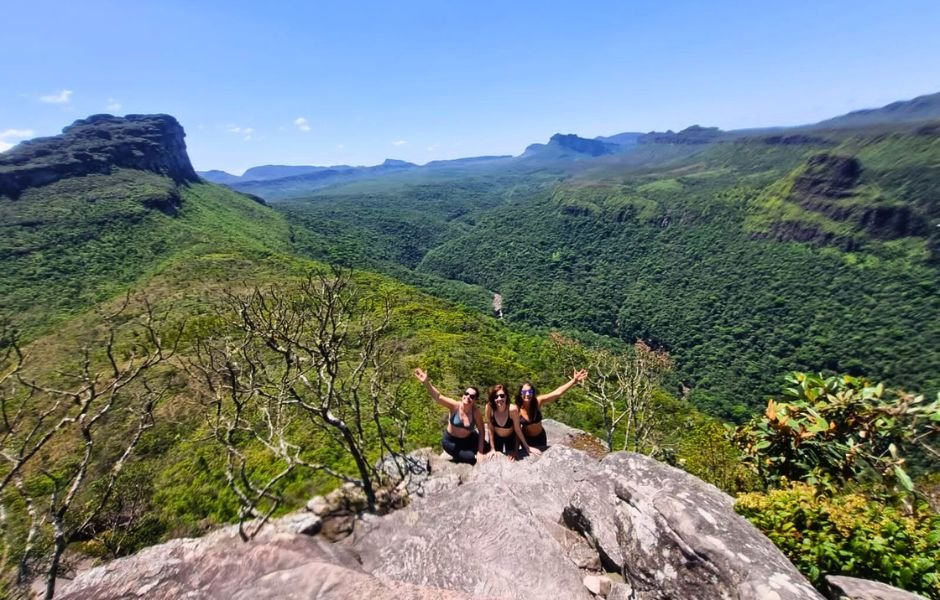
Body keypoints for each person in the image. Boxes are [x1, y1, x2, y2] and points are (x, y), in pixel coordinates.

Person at [414, 368, 486, 464]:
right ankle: (465, 453)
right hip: (451, 441)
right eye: (466, 393)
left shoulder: (475, 412)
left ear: (475, 400)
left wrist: (481, 452)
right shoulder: (455, 406)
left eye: (472, 396)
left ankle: (471, 450)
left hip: (469, 439)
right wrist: (426, 383)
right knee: (470, 458)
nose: (468, 397)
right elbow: (438, 397)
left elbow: (481, 430)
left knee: (488, 449)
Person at [517, 369, 588, 451]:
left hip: (540, 436)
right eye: (524, 392)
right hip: (527, 439)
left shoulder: (537, 402)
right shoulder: (517, 409)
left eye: (530, 391)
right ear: (520, 393)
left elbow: (557, 392)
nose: (527, 394)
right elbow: (516, 429)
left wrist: (573, 381)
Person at [483, 384, 538, 460]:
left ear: (506, 396)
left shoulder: (512, 409)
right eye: (496, 397)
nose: (499, 399)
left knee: (512, 459)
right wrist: (492, 448)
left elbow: (518, 430)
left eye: (502, 396)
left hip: (510, 438)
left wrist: (524, 448)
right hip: (496, 438)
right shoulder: (489, 408)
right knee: (494, 458)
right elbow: (490, 428)